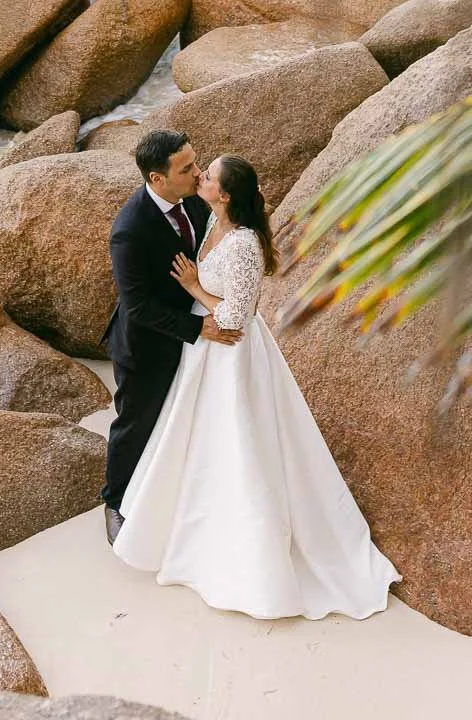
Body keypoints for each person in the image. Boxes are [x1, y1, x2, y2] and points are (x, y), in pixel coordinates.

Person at [111, 151, 402, 621]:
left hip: (229, 352)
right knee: (194, 437)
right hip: (201, 349)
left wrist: (194, 288)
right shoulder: (211, 218)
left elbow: (236, 316)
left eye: (207, 175)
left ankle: (248, 551)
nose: (199, 176)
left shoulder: (244, 244)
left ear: (224, 195)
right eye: (196, 170)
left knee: (237, 440)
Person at [101, 129, 240, 546]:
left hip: (192, 334)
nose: (198, 173)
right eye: (186, 168)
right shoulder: (129, 230)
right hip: (145, 346)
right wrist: (198, 328)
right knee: (136, 423)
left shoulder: (194, 200)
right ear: (157, 179)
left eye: (196, 163)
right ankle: (115, 503)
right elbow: (137, 305)